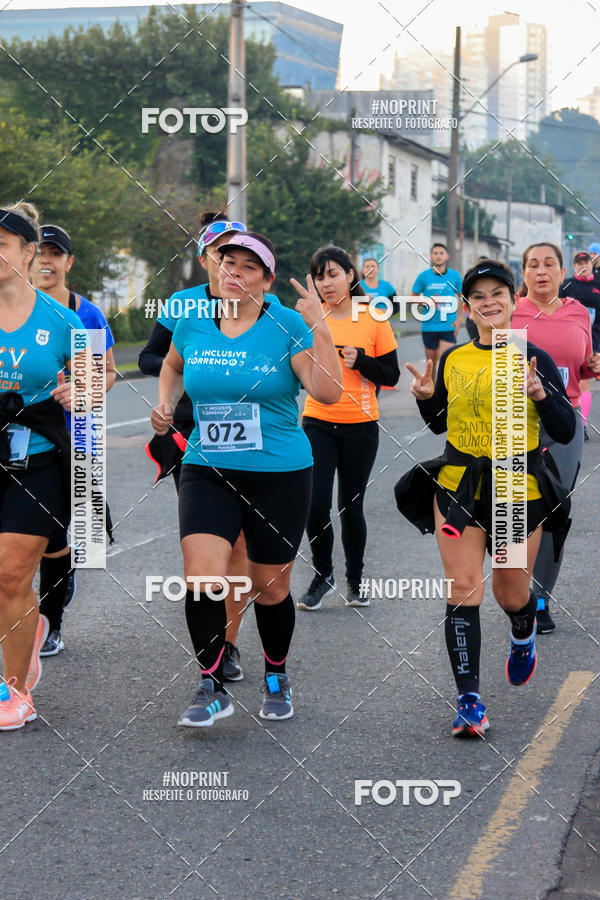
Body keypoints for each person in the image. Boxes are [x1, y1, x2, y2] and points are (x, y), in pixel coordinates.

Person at [151, 232, 342, 727]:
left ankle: (276, 674)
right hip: (206, 466)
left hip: (278, 472)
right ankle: (210, 684)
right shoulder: (192, 321)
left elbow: (326, 390)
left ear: (268, 280)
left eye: (248, 267)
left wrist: (319, 329)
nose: (234, 273)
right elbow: (171, 365)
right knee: (202, 577)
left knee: (270, 586)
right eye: (226, 263)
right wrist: (167, 402)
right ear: (214, 269)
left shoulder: (286, 324)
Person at [395, 259, 576, 737]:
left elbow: (563, 428)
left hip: (518, 486)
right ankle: (469, 701)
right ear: (467, 306)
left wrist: (542, 395)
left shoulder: (532, 356)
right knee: (462, 586)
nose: (489, 302)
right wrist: (424, 394)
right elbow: (438, 423)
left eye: (498, 293)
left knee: (510, 592)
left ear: (513, 300)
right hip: (459, 484)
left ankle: (523, 628)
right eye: (479, 296)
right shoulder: (453, 358)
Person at [140, 212, 281, 681]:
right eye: (222, 255)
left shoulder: (263, 306)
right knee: (205, 548)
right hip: (191, 432)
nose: (231, 267)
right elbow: (149, 357)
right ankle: (214, 647)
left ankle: (231, 643)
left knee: (242, 543)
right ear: (207, 259)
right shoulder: (184, 306)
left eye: (242, 259)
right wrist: (193, 373)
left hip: (256, 439)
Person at [0, 201, 86, 730]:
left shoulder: (63, 319)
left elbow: (96, 380)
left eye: (1, 245)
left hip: (36, 461)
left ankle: (14, 690)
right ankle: (22, 632)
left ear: (28, 253)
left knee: (9, 573)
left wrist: (80, 389)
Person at [298, 246, 399, 610]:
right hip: (317, 421)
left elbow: (392, 375)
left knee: (350, 506)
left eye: (333, 274)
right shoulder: (311, 318)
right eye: (320, 276)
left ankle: (355, 580)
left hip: (361, 425)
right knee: (315, 503)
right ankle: (323, 574)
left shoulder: (373, 316)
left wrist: (363, 361)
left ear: (350, 276)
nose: (327, 282)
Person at [32, 224, 116, 656]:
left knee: (53, 535)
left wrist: (83, 389)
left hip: (75, 434)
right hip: (17, 435)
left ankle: (51, 623)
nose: (46, 261)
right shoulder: (13, 308)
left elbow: (108, 372)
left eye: (55, 253)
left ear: (68, 262)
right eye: (40, 252)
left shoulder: (83, 315)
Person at [512, 242, 600, 632]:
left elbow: (582, 368)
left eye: (550, 264)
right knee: (516, 510)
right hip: (516, 419)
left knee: (554, 509)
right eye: (534, 265)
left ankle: (541, 597)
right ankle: (516, 592)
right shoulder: (510, 313)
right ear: (524, 273)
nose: (542, 271)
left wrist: (594, 366)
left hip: (565, 421)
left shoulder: (578, 312)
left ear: (563, 272)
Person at [559, 250, 600, 439]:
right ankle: (565, 422)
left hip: (594, 338)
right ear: (574, 266)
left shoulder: (598, 285)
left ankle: (581, 425)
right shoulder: (566, 285)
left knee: (584, 381)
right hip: (568, 339)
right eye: (579, 263)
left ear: (592, 265)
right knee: (566, 381)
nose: (583, 266)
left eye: (586, 262)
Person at [412, 243, 463, 380]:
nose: (438, 256)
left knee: (445, 361)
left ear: (447, 256)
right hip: (429, 326)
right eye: (435, 253)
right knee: (431, 364)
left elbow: (463, 298)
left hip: (448, 325)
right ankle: (432, 393)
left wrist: (459, 320)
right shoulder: (423, 276)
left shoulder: (455, 276)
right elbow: (413, 298)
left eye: (441, 253)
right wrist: (427, 301)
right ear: (431, 256)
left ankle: (445, 393)